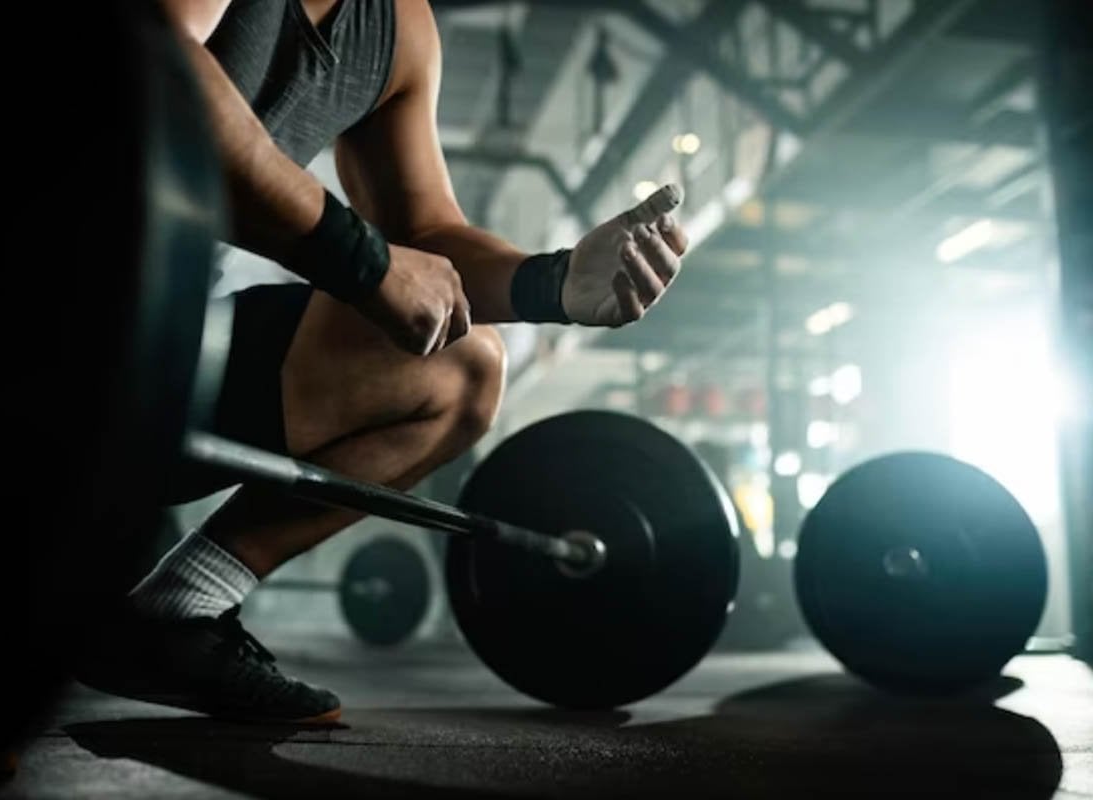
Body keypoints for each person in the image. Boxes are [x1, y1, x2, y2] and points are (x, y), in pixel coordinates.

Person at [78, 0, 689, 724]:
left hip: (158, 361)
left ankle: (176, 617)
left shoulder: (401, 27)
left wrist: (550, 283)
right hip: (8, 328)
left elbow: (427, 230)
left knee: (460, 369)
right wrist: (363, 262)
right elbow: (160, 70)